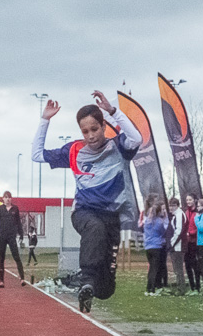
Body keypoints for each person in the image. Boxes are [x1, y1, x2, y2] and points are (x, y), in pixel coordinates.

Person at [32, 90, 141, 312]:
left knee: (106, 290)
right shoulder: (73, 151)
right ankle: (86, 278)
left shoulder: (118, 147)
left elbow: (136, 138)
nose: (91, 135)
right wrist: (45, 120)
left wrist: (112, 111)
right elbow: (37, 154)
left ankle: (86, 285)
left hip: (112, 217)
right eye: (85, 131)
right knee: (95, 228)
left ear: (103, 126)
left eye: (94, 129)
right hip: (84, 212)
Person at [0, 191, 26, 288]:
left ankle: (22, 278)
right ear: (3, 199)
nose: (8, 199)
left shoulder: (15, 209)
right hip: (2, 236)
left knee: (16, 257)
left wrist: (21, 234)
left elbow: (18, 223)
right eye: (6, 197)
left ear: (11, 198)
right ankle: (1, 281)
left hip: (12, 237)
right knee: (1, 258)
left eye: (9, 197)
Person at [141, 195, 168, 296]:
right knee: (154, 269)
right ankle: (152, 289)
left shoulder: (147, 221)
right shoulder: (159, 222)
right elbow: (164, 231)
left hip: (148, 247)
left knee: (151, 268)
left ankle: (148, 289)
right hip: (156, 246)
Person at [167, 196, 188, 296]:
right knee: (176, 269)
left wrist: (171, 243)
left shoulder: (179, 215)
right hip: (176, 245)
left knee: (178, 268)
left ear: (178, 206)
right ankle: (180, 287)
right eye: (170, 206)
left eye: (173, 206)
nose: (171, 208)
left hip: (178, 246)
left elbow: (179, 231)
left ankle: (181, 289)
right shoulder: (176, 215)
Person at [184, 194, 201, 295]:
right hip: (187, 242)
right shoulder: (186, 212)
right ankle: (192, 286)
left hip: (194, 242)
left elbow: (198, 227)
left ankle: (198, 286)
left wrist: (190, 233)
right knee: (187, 264)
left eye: (190, 200)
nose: (188, 202)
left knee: (195, 264)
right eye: (187, 200)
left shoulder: (197, 213)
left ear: (194, 200)